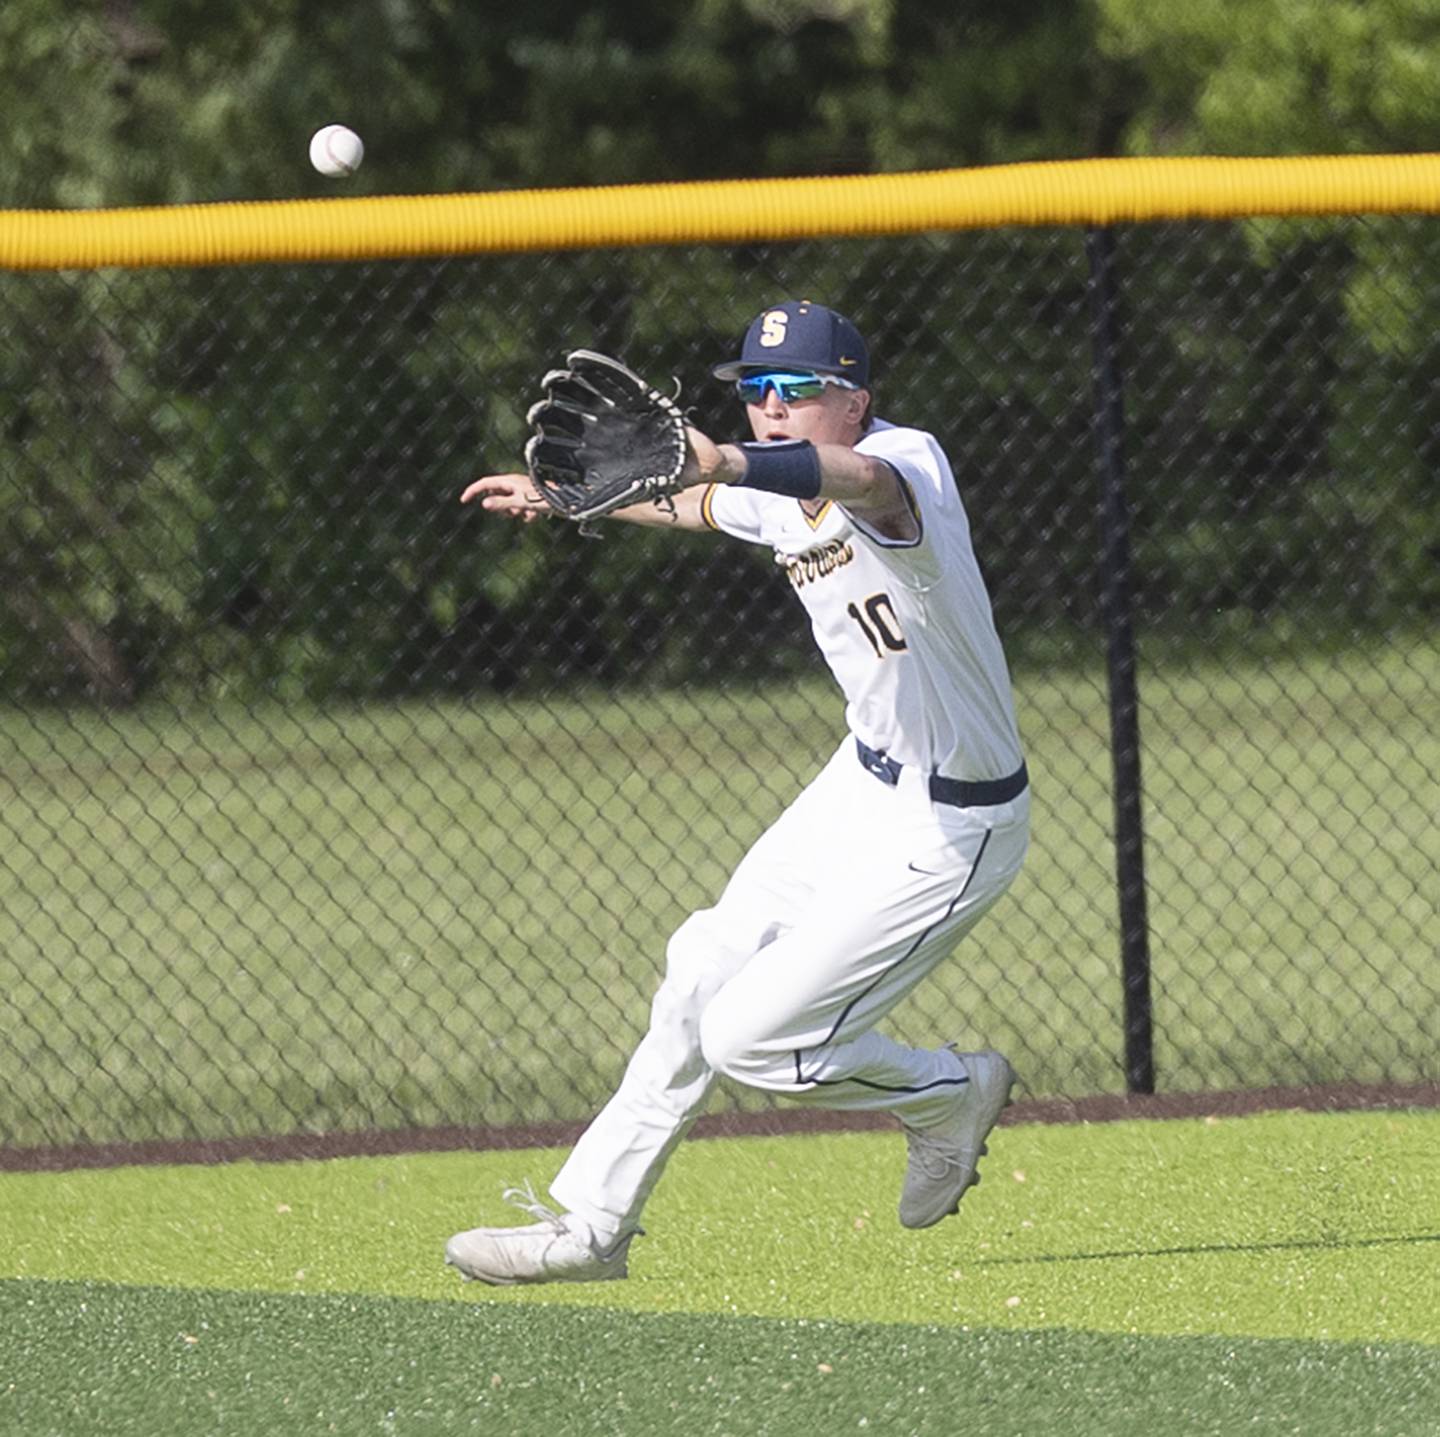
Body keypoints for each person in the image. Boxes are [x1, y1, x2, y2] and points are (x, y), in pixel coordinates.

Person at [447, 300, 1030, 1285]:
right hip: (862, 779)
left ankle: (944, 1092)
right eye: (754, 391)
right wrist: (569, 496)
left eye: (795, 391)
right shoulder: (769, 481)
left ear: (856, 399)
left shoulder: (906, 460)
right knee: (698, 969)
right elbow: (698, 499)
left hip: (952, 818)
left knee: (755, 1040)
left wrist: (724, 459)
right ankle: (591, 1228)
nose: (768, 408)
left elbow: (857, 483)